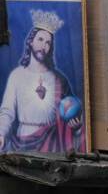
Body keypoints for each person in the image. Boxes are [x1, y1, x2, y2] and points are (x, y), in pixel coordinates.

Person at [0, 10, 83, 153]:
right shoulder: (17, 75)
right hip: (22, 141)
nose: (44, 46)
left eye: (48, 43)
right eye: (40, 39)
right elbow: (7, 112)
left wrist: (76, 129)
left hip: (52, 144)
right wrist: (1, 132)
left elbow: (71, 111)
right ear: (31, 41)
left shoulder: (59, 79)